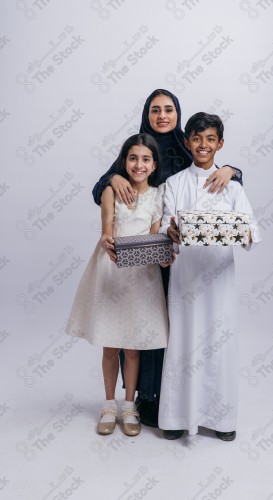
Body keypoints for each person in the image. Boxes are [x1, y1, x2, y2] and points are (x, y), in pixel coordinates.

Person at [92, 89, 243, 428]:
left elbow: (212, 170)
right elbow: (101, 190)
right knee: (141, 329)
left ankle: (179, 400)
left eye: (169, 109)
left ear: (178, 113)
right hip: (140, 257)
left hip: (176, 256)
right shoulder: (139, 146)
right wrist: (113, 176)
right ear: (147, 113)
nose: (162, 115)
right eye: (155, 109)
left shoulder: (187, 145)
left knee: (171, 331)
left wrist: (232, 169)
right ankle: (144, 399)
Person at [158, 112, 261, 440]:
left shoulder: (231, 185)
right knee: (183, 343)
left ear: (220, 143)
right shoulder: (175, 183)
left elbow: (251, 229)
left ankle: (221, 419)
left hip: (218, 279)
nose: (203, 145)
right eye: (197, 138)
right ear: (187, 141)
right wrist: (170, 230)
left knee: (219, 344)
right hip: (185, 276)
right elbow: (164, 223)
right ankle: (175, 418)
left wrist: (241, 232)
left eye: (210, 139)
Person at [66, 133, 171, 437]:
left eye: (146, 159)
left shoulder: (157, 195)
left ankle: (129, 407)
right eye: (133, 158)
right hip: (112, 270)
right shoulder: (112, 190)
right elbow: (107, 229)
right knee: (111, 346)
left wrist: (162, 256)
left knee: (133, 346)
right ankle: (109, 404)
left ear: (154, 165)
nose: (139, 164)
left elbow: (154, 234)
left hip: (142, 277)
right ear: (124, 161)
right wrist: (106, 239)